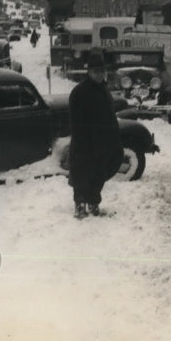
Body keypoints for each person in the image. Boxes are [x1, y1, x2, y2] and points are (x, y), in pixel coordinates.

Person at [68, 49, 123, 218]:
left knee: (98, 175)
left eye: (102, 71)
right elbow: (76, 122)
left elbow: (110, 116)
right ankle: (80, 205)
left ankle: (93, 204)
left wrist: (114, 137)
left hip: (102, 142)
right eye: (96, 71)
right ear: (89, 72)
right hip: (84, 143)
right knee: (81, 175)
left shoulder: (104, 90)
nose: (99, 75)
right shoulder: (79, 92)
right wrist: (84, 140)